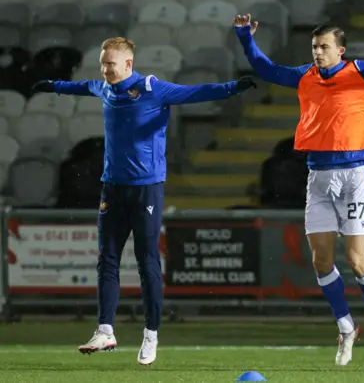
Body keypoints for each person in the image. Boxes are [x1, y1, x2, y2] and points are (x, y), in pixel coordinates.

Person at [30, 37, 256, 365]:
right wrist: (53, 85)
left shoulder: (152, 89)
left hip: (146, 189)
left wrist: (232, 87)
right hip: (112, 188)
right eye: (102, 64)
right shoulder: (104, 87)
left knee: (147, 260)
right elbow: (81, 86)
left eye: (110, 64)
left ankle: (151, 334)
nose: (105, 69)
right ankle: (105, 329)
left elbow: (196, 92)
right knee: (107, 258)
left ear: (128, 65)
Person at [233, 15, 364, 365]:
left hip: (354, 175)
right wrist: (245, 37)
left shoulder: (362, 72)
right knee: (320, 260)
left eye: (324, 47)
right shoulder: (305, 76)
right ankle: (346, 327)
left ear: (341, 50)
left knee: (357, 259)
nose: (318, 52)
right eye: (315, 47)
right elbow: (265, 67)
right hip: (318, 175)